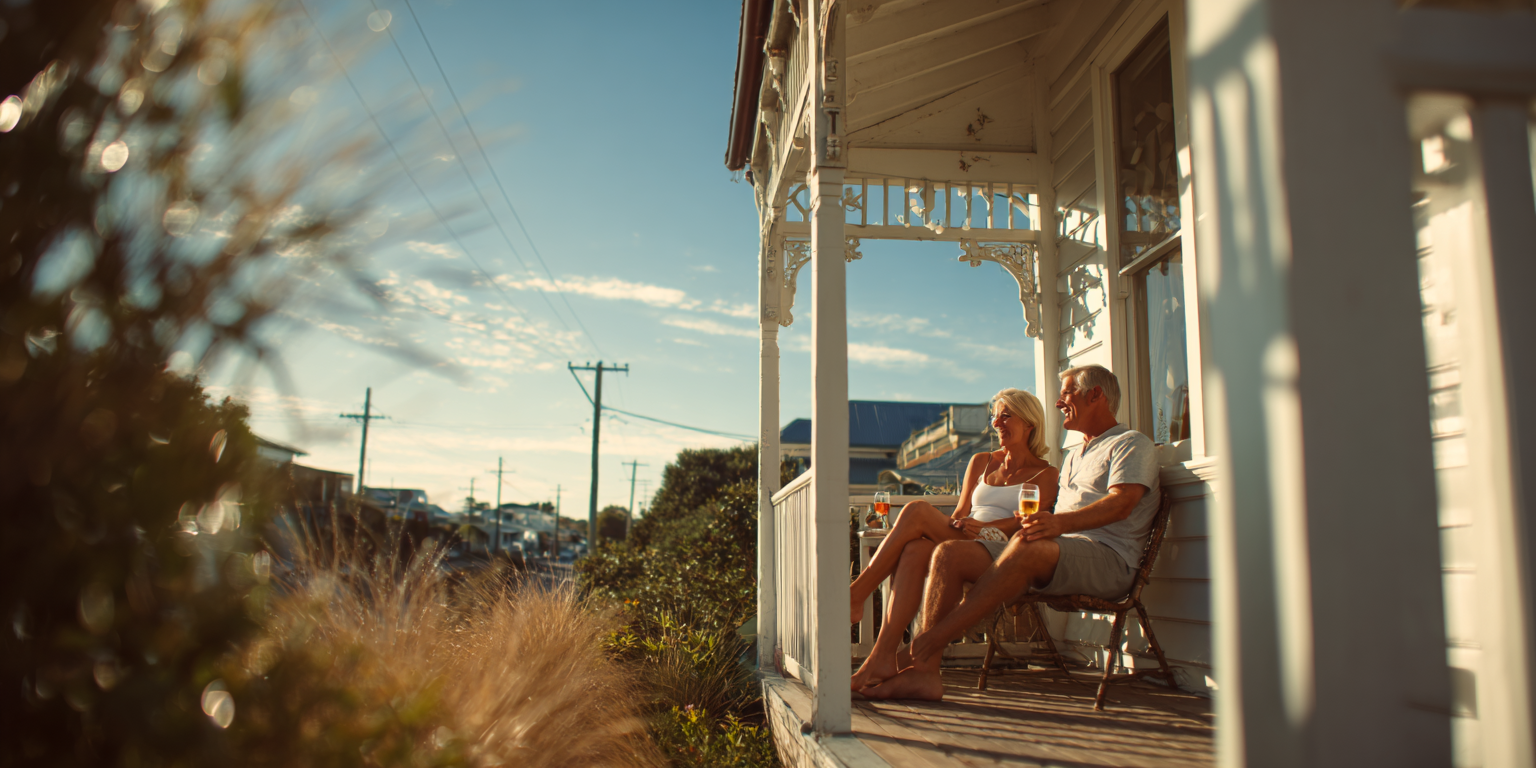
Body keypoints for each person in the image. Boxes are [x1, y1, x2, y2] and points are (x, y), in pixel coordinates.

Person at [862, 364, 1160, 701]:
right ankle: (924, 674)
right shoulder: (1075, 455)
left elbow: (1122, 503)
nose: (1060, 403)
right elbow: (1048, 515)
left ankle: (927, 644)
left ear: (1095, 395)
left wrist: (1055, 524)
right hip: (1055, 553)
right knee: (949, 553)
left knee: (1024, 543)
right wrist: (1031, 522)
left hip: (1108, 560)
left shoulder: (1130, 443)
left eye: (1067, 394)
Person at [848, 389, 1059, 691]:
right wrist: (962, 523)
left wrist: (986, 527)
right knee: (916, 548)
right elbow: (960, 511)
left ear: (1030, 423)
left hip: (1001, 547)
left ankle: (858, 594)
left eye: (1006, 415)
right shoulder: (982, 461)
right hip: (964, 537)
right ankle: (881, 656)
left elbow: (1024, 523)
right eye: (995, 416)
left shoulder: (1046, 474)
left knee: (917, 510)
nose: (997, 422)